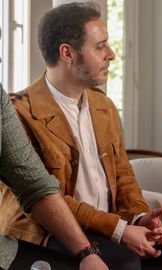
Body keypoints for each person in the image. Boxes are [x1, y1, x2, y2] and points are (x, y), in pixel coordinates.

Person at [0, 2, 162, 270]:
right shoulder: (20, 112)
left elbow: (124, 177)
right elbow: (47, 198)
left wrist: (139, 218)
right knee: (125, 262)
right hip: (49, 231)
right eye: (100, 46)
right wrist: (120, 230)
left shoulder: (104, 107)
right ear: (67, 52)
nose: (111, 54)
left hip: (107, 227)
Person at [0, 25, 107, 270]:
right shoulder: (24, 108)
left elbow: (35, 184)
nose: (0, 58)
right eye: (99, 46)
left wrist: (87, 253)